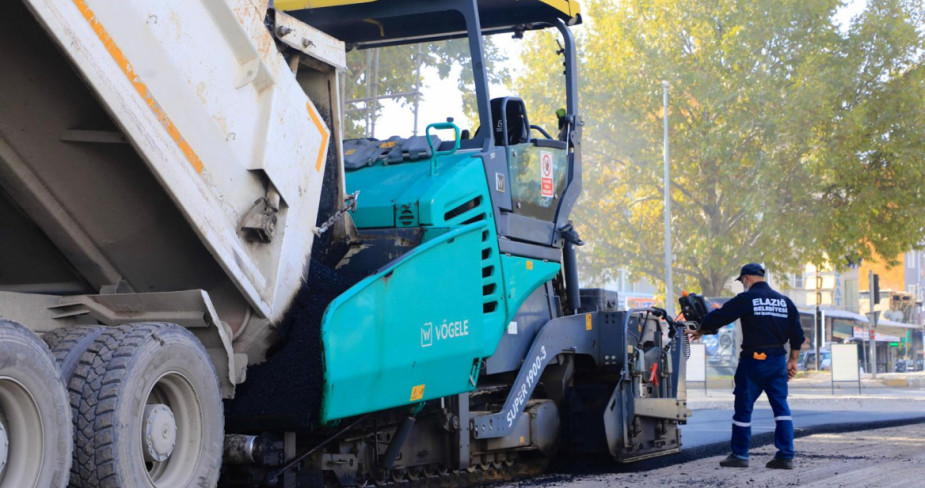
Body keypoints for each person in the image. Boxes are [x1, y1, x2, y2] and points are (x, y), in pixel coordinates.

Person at [686, 263, 805, 470]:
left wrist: (701, 329)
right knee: (781, 408)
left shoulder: (747, 298)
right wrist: (793, 361)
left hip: (753, 360)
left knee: (743, 407)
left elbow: (722, 315)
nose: (742, 285)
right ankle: (786, 456)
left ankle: (740, 455)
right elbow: (798, 335)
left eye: (742, 281)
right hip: (777, 360)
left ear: (747, 278)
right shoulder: (786, 302)